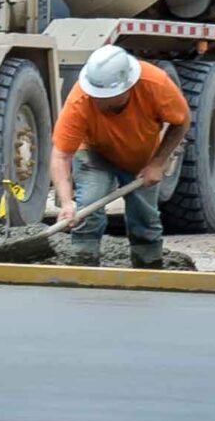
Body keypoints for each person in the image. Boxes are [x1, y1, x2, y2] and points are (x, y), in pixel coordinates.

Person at [46, 45, 188, 268]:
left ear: (128, 86)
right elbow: (61, 155)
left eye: (108, 98)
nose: (100, 101)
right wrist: (65, 203)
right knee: (88, 209)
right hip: (94, 153)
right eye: (97, 96)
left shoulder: (155, 84)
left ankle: (149, 269)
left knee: (144, 217)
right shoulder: (80, 99)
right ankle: (83, 267)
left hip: (141, 157)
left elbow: (181, 122)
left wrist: (158, 163)